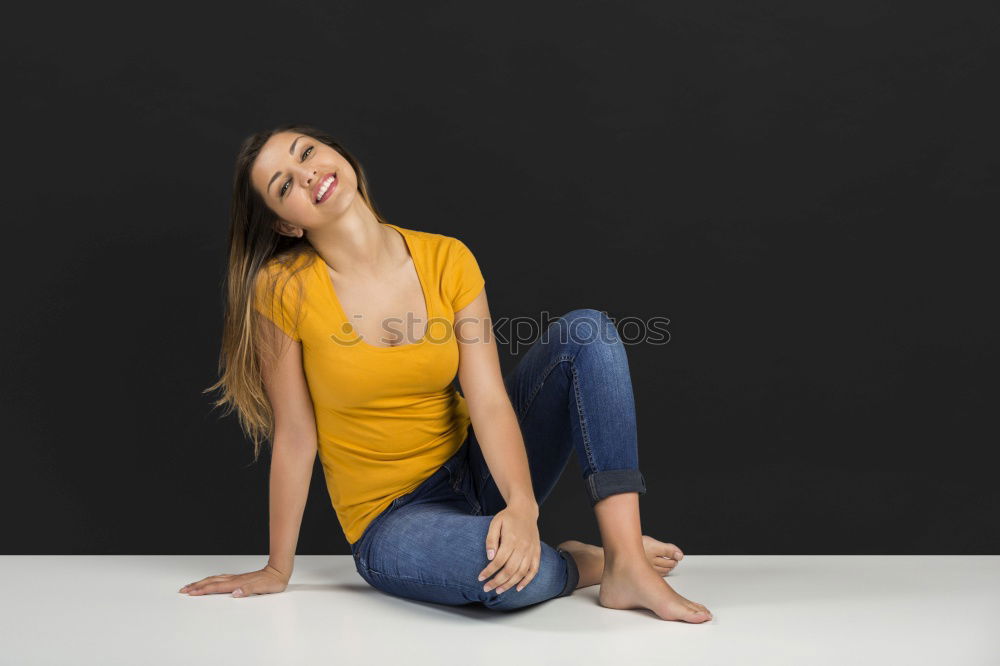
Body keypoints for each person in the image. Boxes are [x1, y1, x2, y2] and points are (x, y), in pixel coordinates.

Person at [184, 123, 712, 622]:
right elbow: (297, 437)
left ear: (336, 154)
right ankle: (584, 564)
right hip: (392, 519)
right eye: (285, 186)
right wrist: (279, 568)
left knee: (588, 334)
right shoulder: (281, 289)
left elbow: (486, 398)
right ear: (286, 223)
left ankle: (627, 562)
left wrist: (522, 507)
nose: (307, 174)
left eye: (306, 153)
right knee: (509, 582)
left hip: (476, 468)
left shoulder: (447, 258)